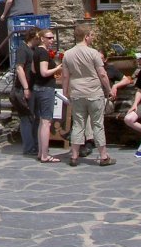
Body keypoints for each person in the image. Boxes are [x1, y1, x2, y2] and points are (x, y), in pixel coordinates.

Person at [60, 24, 116, 167]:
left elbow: (65, 76)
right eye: (91, 35)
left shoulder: (67, 54)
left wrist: (65, 90)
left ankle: (74, 156)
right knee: (97, 124)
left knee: (78, 124)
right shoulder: (93, 53)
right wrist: (109, 89)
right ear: (86, 36)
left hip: (77, 92)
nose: (92, 37)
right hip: (93, 92)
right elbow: (102, 74)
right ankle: (103, 156)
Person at [78, 51, 133, 156]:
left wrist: (115, 86)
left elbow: (127, 79)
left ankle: (89, 141)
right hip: (92, 99)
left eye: (101, 58)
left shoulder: (110, 69)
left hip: (106, 102)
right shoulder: (90, 69)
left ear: (105, 59)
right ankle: (76, 133)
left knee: (91, 110)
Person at [33, 29, 63, 163]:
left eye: (52, 38)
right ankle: (45, 154)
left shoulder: (36, 52)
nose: (52, 40)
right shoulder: (43, 52)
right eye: (49, 38)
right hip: (45, 88)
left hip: (38, 87)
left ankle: (41, 152)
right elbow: (44, 72)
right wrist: (58, 68)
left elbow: (34, 70)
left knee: (42, 121)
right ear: (42, 38)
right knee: (46, 122)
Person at [14, 27, 40, 155]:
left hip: (33, 86)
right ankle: (29, 147)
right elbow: (19, 68)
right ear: (32, 37)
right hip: (23, 88)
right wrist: (25, 88)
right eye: (37, 38)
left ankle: (35, 145)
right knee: (26, 118)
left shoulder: (34, 49)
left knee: (34, 118)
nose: (39, 40)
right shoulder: (22, 49)